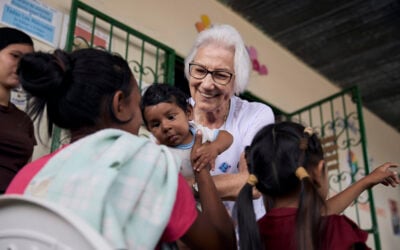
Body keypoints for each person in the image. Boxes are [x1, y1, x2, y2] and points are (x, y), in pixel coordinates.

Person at [6, 48, 236, 249]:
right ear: (120, 105)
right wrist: (202, 167)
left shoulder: (28, 177)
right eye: (137, 106)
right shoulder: (148, 166)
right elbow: (221, 245)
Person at [237, 121, 399, 250]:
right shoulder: (335, 231)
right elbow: (315, 218)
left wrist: (366, 181)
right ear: (319, 169)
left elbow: (310, 216)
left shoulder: (252, 233)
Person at [184, 24, 274, 219]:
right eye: (199, 70)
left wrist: (182, 188)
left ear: (237, 81)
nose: (207, 84)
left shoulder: (255, 115)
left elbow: (253, 182)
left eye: (221, 75)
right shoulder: (175, 115)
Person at [140, 83, 233, 179]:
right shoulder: (158, 150)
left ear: (188, 112)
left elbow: (226, 136)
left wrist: (215, 148)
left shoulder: (199, 132)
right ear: (149, 129)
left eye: (171, 117)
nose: (165, 127)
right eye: (156, 124)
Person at [0, 27, 36, 194]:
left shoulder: (24, 121)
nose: (20, 66)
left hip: (9, 208)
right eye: (15, 56)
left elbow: (24, 172)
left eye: (27, 61)